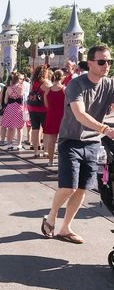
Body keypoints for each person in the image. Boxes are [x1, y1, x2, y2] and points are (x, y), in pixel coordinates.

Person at [41, 45, 114, 244]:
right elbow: (80, 114)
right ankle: (51, 217)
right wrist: (105, 129)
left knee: (82, 188)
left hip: (92, 143)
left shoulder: (109, 84)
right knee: (68, 187)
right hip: (70, 141)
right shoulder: (76, 85)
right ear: (90, 63)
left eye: (109, 61)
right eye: (102, 62)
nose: (106, 65)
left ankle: (65, 228)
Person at [27, 64, 51, 158]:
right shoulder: (46, 83)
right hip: (43, 109)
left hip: (32, 108)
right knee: (46, 131)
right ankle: (45, 151)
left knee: (35, 129)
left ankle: (36, 151)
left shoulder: (33, 82)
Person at [43, 69, 66, 166]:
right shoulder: (64, 89)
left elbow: (46, 104)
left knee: (51, 139)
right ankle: (61, 161)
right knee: (62, 140)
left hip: (51, 115)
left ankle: (50, 161)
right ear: (62, 77)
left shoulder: (48, 89)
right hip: (63, 116)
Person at [0, 72, 25, 151]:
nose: (22, 80)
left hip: (10, 108)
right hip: (18, 108)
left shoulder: (9, 88)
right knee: (19, 128)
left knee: (10, 127)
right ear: (18, 79)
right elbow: (21, 96)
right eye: (21, 79)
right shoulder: (21, 87)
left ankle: (9, 144)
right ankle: (19, 144)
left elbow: (6, 100)